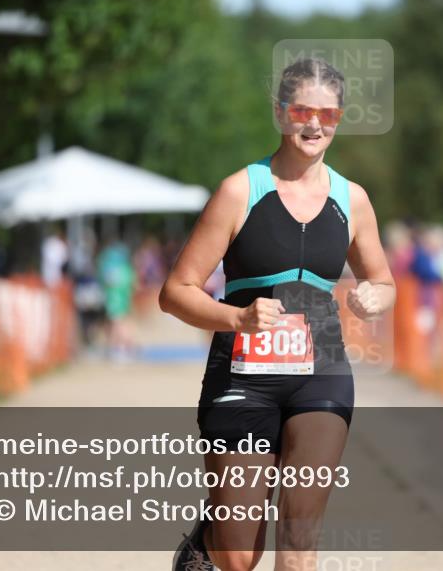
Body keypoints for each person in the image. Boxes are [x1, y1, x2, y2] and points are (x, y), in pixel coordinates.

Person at [160, 57, 395, 571]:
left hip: (322, 373)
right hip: (244, 372)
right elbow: (175, 291)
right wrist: (237, 319)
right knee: (240, 553)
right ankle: (210, 539)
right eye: (302, 110)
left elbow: (383, 280)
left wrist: (377, 296)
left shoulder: (352, 200)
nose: (314, 124)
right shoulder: (239, 191)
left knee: (300, 530)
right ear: (280, 113)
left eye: (328, 115)